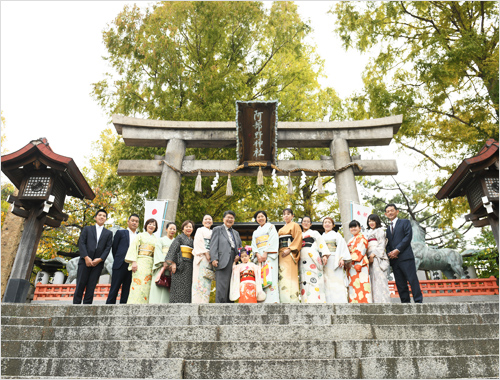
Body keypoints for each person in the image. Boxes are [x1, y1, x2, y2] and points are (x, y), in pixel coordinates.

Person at [385, 203, 423, 303]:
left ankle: (418, 301)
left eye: (392, 210)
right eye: (388, 211)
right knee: (400, 283)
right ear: (386, 214)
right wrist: (390, 253)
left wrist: (397, 250)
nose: (390, 213)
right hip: (395, 260)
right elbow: (387, 243)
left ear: (397, 211)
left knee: (412, 280)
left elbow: (408, 237)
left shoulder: (405, 222)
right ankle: (405, 303)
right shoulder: (387, 229)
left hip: (406, 257)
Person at [73, 209, 113, 304]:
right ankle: (75, 307)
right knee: (80, 285)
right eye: (100, 215)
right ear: (95, 217)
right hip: (84, 262)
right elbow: (81, 243)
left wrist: (100, 259)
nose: (101, 217)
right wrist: (86, 257)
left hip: (98, 264)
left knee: (91, 286)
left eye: (104, 216)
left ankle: (87, 307)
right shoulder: (87, 229)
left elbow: (108, 248)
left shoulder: (108, 233)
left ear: (105, 219)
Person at [106, 214, 139, 304]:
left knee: (127, 289)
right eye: (132, 220)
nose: (134, 223)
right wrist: (119, 258)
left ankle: (123, 309)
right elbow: (115, 247)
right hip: (120, 263)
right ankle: (109, 308)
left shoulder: (139, 236)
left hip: (132, 265)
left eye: (136, 221)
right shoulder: (120, 233)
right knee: (114, 288)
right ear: (128, 222)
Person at [210, 210, 242, 303]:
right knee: (221, 286)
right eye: (228, 217)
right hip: (222, 259)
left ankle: (230, 307)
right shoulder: (217, 229)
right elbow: (213, 245)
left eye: (232, 218)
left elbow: (239, 247)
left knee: (232, 285)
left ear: (234, 220)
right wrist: (214, 258)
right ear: (223, 219)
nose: (230, 219)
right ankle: (219, 308)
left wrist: (238, 256)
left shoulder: (236, 233)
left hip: (234, 260)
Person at [124, 218, 158, 304]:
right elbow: (133, 248)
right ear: (146, 225)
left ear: (156, 227)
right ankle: (133, 303)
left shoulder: (156, 239)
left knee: (147, 285)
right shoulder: (140, 236)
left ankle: (145, 304)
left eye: (153, 225)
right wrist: (133, 262)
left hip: (150, 263)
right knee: (137, 283)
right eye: (150, 224)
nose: (151, 226)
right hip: (140, 261)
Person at [299, 216, 330, 303]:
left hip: (311, 258)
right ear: (301, 223)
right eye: (304, 221)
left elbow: (321, 244)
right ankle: (305, 300)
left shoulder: (314, 233)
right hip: (302, 259)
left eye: (308, 221)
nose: (306, 223)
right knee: (303, 279)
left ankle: (315, 299)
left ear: (311, 224)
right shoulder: (299, 234)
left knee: (313, 277)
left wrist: (324, 255)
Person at [250, 210, 279, 303]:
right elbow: (253, 244)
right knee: (260, 277)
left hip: (269, 255)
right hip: (259, 257)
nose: (260, 218)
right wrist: (257, 254)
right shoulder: (255, 232)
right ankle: (261, 299)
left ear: (265, 217)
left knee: (271, 276)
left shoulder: (271, 227)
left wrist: (266, 252)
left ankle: (272, 300)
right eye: (258, 217)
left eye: (262, 216)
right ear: (256, 219)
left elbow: (273, 239)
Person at [322, 217, 351, 303]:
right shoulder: (321, 237)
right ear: (323, 225)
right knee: (326, 281)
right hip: (325, 261)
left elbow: (342, 247)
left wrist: (342, 258)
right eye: (325, 222)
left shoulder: (337, 235)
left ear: (333, 225)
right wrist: (323, 255)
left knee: (337, 281)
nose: (327, 224)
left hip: (335, 259)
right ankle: (328, 301)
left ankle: (340, 301)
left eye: (329, 222)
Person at [165, 220, 195, 303]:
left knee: (187, 287)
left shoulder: (192, 241)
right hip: (180, 265)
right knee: (177, 287)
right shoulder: (179, 237)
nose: (188, 228)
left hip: (189, 266)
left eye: (190, 227)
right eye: (186, 227)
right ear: (182, 229)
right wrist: (173, 263)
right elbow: (173, 250)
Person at [277, 208, 302, 303]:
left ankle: (293, 300)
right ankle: (283, 299)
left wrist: (290, 249)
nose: (286, 216)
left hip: (290, 252)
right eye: (284, 214)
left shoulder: (295, 225)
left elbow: (298, 238)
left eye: (288, 214)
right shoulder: (281, 229)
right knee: (282, 275)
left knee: (290, 274)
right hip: (281, 253)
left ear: (292, 216)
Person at [366, 214, 391, 303]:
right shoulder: (368, 232)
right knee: (372, 280)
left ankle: (382, 301)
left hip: (376, 257)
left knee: (379, 279)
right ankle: (374, 301)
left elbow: (381, 244)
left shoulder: (380, 231)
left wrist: (373, 255)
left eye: (373, 221)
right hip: (369, 258)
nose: (371, 223)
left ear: (377, 221)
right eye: (369, 221)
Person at [150, 222, 177, 304]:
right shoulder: (160, 240)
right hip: (161, 266)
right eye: (170, 228)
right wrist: (164, 262)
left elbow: (177, 254)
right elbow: (158, 251)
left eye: (174, 229)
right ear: (166, 229)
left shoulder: (176, 242)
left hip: (171, 268)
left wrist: (172, 264)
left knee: (167, 288)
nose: (172, 230)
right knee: (157, 284)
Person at [347, 220, 372, 304]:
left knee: (362, 284)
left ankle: (365, 303)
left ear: (360, 228)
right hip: (351, 265)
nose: (353, 228)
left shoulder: (362, 238)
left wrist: (348, 259)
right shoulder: (351, 239)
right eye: (351, 227)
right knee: (354, 286)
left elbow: (359, 251)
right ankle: (354, 303)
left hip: (360, 263)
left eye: (355, 226)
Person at [192, 215, 214, 303]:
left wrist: (212, 255)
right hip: (201, 256)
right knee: (199, 279)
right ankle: (196, 301)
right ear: (202, 222)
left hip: (210, 258)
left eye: (210, 219)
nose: (208, 221)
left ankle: (205, 301)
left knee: (207, 279)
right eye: (206, 219)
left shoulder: (213, 232)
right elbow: (198, 241)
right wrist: (206, 252)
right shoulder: (200, 230)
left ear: (212, 222)